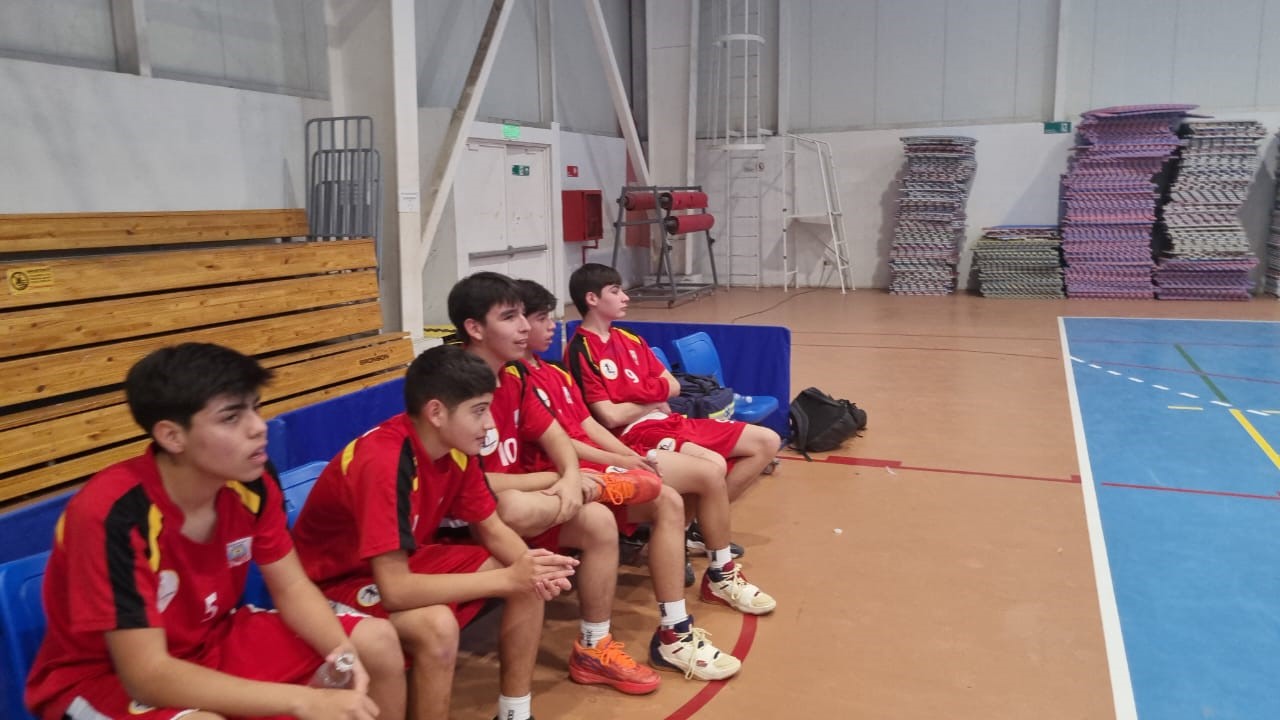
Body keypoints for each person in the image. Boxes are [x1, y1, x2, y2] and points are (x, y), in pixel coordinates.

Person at [25, 343, 406, 720]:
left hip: (214, 637)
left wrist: (341, 653)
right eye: (231, 418)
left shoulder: (252, 482)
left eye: (255, 408)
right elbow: (146, 676)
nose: (258, 427)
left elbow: (291, 587)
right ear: (172, 436)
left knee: (376, 642)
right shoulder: (111, 515)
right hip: (105, 677)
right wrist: (301, 700)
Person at [292, 344, 579, 720]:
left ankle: (514, 713)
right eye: (479, 411)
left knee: (530, 579)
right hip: (333, 585)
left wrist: (531, 568)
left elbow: (492, 528)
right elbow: (396, 590)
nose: (489, 424)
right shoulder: (383, 461)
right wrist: (510, 577)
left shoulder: (455, 448)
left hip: (394, 563)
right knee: (439, 625)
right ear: (436, 412)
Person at [515, 278, 764, 679]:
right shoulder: (521, 376)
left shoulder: (556, 373)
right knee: (686, 484)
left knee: (684, 489)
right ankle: (645, 631)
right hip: (567, 472)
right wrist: (623, 453)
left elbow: (586, 425)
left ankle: (686, 614)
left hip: (617, 449)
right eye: (537, 318)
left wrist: (626, 458)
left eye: (547, 317)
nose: (548, 326)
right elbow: (592, 425)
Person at [447, 272, 663, 695]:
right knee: (510, 505)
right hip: (466, 519)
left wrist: (570, 476)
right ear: (474, 328)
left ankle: (593, 647)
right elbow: (468, 484)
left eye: (524, 316)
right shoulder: (453, 385)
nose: (524, 327)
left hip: (525, 503)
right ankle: (596, 486)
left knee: (598, 522)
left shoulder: (513, 377)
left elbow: (556, 437)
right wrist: (563, 480)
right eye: (510, 317)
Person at [563, 263, 780, 614]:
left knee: (766, 442)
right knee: (711, 466)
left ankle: (695, 532)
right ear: (592, 299)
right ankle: (711, 564)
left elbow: (674, 386)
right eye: (615, 291)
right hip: (632, 436)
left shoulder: (630, 339)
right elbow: (609, 417)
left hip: (670, 420)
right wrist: (650, 398)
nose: (625, 297)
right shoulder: (580, 350)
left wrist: (636, 397)